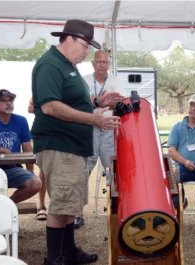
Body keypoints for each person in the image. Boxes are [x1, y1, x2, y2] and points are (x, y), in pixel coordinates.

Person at [31, 19, 121, 265]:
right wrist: (93, 119)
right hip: (60, 144)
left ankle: (69, 252)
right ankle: (55, 259)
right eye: (85, 46)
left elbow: (70, 100)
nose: (86, 53)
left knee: (69, 204)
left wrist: (98, 103)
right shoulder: (51, 65)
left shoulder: (67, 65)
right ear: (69, 39)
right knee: (61, 206)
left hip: (72, 146)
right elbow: (50, 106)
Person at [74, 50, 123, 229]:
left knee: (113, 170)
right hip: (89, 128)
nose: (102, 64)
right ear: (93, 63)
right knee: (84, 170)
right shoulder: (84, 80)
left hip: (109, 129)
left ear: (108, 64)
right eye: (99, 61)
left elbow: (119, 102)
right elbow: (79, 103)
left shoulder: (116, 81)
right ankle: (78, 213)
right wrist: (100, 101)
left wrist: (98, 101)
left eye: (105, 62)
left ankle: (118, 212)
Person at [0, 89, 42, 203]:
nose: (8, 103)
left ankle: (6, 205)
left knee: (35, 183)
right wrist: (2, 150)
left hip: (12, 168)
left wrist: (30, 171)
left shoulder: (21, 121)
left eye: (11, 100)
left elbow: (27, 148)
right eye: (3, 100)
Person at [28, 98, 48, 221]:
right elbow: (30, 108)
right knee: (44, 170)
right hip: (44, 132)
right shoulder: (41, 89)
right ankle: (42, 205)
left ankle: (61, 208)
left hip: (63, 133)